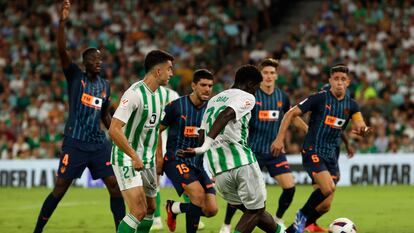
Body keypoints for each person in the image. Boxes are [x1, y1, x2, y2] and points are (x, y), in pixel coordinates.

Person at [33, 1, 125, 232]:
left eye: (101, 60)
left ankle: (121, 230)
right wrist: (62, 22)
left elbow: (105, 115)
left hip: (98, 144)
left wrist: (116, 133)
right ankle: (37, 230)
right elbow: (61, 51)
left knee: (115, 187)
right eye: (95, 60)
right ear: (85, 63)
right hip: (75, 143)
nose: (99, 63)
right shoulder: (75, 77)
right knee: (60, 189)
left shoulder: (105, 85)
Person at [179, 65, 285, 233]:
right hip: (242, 163)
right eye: (256, 88)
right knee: (256, 210)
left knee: (253, 211)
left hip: (219, 170)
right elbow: (226, 115)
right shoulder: (246, 97)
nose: (256, 92)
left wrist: (202, 152)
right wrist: (204, 147)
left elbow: (202, 132)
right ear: (250, 84)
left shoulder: (215, 99)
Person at [271, 64, 372, 233]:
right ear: (330, 80)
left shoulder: (352, 106)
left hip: (331, 155)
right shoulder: (319, 98)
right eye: (336, 79)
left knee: (325, 206)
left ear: (348, 82)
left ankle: (294, 230)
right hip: (313, 150)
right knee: (327, 188)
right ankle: (300, 218)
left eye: (343, 79)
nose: (339, 82)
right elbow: (290, 113)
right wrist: (280, 139)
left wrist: (363, 130)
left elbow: (359, 123)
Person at [219, 58, 308, 233]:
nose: (268, 76)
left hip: (274, 151)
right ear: (260, 75)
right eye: (265, 73)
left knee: (289, 188)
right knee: (241, 195)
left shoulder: (281, 96)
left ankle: (277, 219)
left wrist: (307, 129)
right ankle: (227, 224)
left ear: (276, 75)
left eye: (272, 73)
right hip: (252, 152)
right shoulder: (251, 96)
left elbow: (291, 116)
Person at [109, 49, 174, 233]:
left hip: (147, 160)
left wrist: (158, 155)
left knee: (151, 209)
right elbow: (114, 129)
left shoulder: (160, 94)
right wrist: (134, 156)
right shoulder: (134, 94)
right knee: (138, 210)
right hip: (127, 158)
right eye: (169, 69)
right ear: (158, 71)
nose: (172, 73)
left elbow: (156, 128)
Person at [160, 69, 217, 233]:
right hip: (175, 160)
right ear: (194, 85)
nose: (207, 89)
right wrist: (158, 157)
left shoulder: (212, 110)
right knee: (198, 196)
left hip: (198, 164)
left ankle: (174, 208)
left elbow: (214, 141)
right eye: (203, 85)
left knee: (211, 210)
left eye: (210, 86)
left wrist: (215, 168)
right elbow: (158, 130)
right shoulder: (176, 106)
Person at [304, 84, 355, 233]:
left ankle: (306, 224)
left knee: (326, 206)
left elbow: (340, 128)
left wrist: (347, 144)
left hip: (333, 158)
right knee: (323, 197)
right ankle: (302, 223)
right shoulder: (319, 111)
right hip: (318, 156)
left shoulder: (340, 112)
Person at [151, 86, 179, 231]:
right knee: (153, 183)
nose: (170, 74)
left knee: (186, 182)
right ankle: (156, 219)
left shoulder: (172, 94)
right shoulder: (142, 91)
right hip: (148, 145)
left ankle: (194, 215)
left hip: (169, 145)